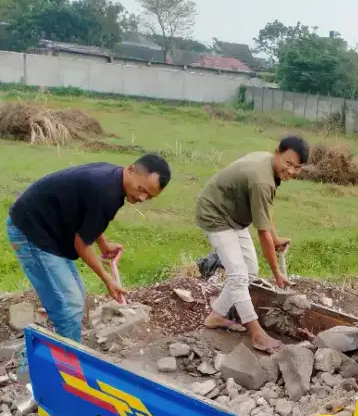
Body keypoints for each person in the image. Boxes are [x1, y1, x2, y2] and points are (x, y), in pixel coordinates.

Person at [5, 154, 171, 344]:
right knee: (69, 305)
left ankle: (64, 344)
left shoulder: (115, 180)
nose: (143, 197)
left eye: (149, 196)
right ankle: (65, 364)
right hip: (31, 230)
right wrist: (108, 280)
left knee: (75, 299)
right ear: (131, 169)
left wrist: (103, 244)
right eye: (142, 189)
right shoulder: (106, 192)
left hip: (50, 229)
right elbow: (81, 244)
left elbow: (88, 216)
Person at [195, 134, 309, 352]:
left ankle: (216, 316)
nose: (292, 171)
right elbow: (263, 233)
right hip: (215, 214)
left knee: (250, 272)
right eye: (288, 163)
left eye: (298, 167)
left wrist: (276, 240)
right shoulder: (262, 179)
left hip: (234, 215)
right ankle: (257, 335)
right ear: (277, 153)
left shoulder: (270, 167)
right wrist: (276, 272)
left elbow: (263, 212)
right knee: (238, 275)